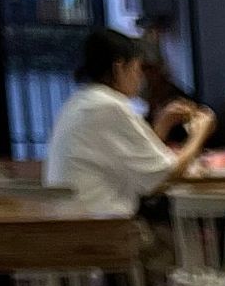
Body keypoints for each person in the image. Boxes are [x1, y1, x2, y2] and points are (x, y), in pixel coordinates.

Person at [47, 28, 215, 219]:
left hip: (75, 219)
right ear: (119, 68)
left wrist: (163, 125)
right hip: (100, 225)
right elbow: (165, 174)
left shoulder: (81, 101)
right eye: (137, 69)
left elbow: (141, 161)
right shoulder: (109, 106)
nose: (140, 79)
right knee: (175, 230)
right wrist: (199, 134)